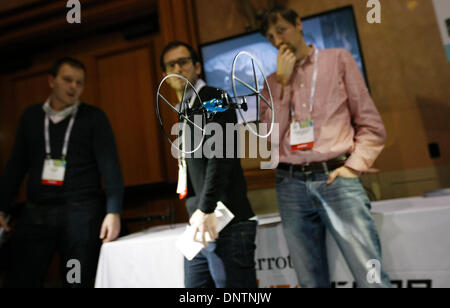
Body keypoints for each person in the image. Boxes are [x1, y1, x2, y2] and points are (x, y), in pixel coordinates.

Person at [259, 6, 391, 288]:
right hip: (289, 184)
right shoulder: (271, 82)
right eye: (270, 37)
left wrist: (353, 167)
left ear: (298, 24)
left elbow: (371, 125)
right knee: (310, 282)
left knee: (371, 279)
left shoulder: (338, 60)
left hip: (335, 178)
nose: (277, 40)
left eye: (281, 30)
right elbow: (269, 141)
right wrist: (282, 85)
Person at [0, 57, 124, 288]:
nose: (73, 87)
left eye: (79, 82)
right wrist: (2, 208)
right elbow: (15, 166)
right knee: (19, 278)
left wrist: (113, 211)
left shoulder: (93, 117)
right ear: (51, 81)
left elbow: (111, 166)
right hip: (37, 212)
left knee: (76, 279)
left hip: (81, 212)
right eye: (67, 80)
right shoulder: (31, 117)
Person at [160, 41, 257, 288]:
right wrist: (198, 211)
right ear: (164, 75)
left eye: (184, 62)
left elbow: (221, 156)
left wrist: (205, 207)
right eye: (171, 65)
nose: (178, 68)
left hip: (225, 219)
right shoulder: (185, 107)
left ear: (197, 67)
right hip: (201, 219)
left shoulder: (215, 98)